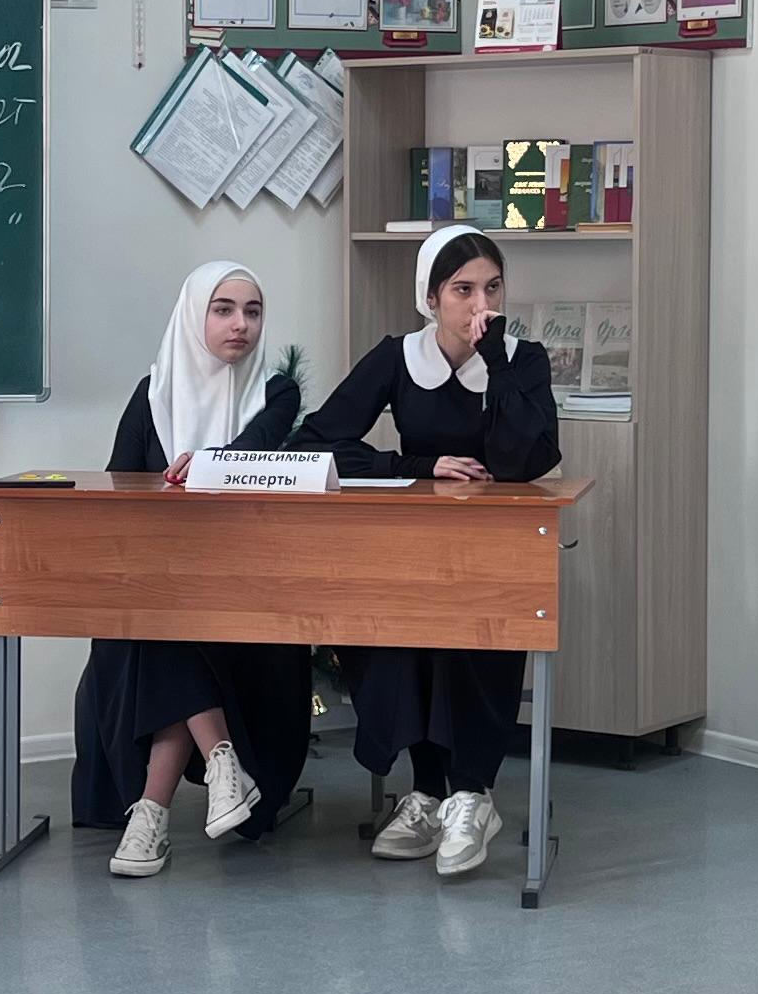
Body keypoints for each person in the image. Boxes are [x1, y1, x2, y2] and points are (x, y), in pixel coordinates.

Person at [296, 227, 561, 879]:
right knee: (394, 632)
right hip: (414, 545)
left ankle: (471, 793)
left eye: (493, 288)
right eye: (463, 290)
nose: (481, 306)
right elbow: (318, 439)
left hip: (492, 550)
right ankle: (428, 791)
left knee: (471, 631)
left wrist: (495, 362)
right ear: (431, 297)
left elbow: (527, 459)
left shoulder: (522, 361)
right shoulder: (399, 357)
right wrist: (416, 464)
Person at [73, 261, 313, 878]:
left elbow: (253, 451)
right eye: (223, 309)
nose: (241, 324)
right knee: (165, 615)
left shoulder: (274, 391)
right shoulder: (152, 393)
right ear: (193, 316)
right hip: (164, 573)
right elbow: (119, 484)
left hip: (247, 583)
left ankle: (151, 815)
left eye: (252, 311)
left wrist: (204, 464)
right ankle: (221, 760)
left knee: (165, 623)